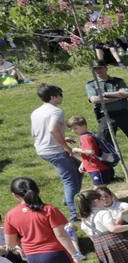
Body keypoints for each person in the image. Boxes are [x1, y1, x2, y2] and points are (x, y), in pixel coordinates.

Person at [31, 84, 84, 218]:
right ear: (53, 97)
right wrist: (66, 147)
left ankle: (69, 199)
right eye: (60, 94)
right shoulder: (56, 111)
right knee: (70, 180)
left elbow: (35, 132)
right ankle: (74, 213)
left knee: (79, 167)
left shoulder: (36, 112)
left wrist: (62, 137)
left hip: (42, 149)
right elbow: (52, 129)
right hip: (55, 151)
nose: (61, 97)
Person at [68, 115, 114, 187]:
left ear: (83, 126)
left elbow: (90, 151)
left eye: (75, 128)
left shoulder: (85, 137)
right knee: (102, 189)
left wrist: (76, 149)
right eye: (72, 129)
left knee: (100, 189)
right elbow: (89, 154)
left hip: (97, 168)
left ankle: (112, 198)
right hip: (96, 167)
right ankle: (113, 198)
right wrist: (83, 165)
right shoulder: (89, 135)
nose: (73, 131)